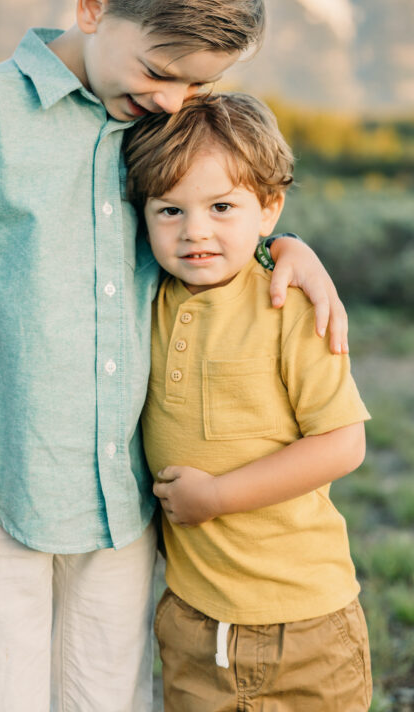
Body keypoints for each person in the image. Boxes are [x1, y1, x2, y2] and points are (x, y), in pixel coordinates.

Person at [0, 0, 348, 712]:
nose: (168, 98)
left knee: (106, 698)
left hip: (119, 503)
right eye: (159, 70)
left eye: (194, 84)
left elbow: (218, 217)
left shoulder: (157, 124)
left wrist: (287, 249)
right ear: (93, 8)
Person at [124, 92, 372, 712]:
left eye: (222, 207)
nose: (195, 231)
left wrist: (217, 498)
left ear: (269, 209)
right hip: (193, 622)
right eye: (170, 210)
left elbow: (344, 443)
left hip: (304, 623)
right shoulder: (145, 296)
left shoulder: (290, 307)